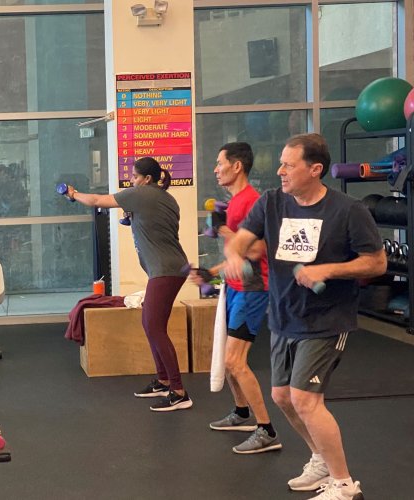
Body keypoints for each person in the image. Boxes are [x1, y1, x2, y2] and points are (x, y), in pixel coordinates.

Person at [223, 134, 385, 499]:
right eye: (281, 163)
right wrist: (234, 254)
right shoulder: (272, 202)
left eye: (289, 165)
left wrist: (328, 270)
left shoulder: (348, 211)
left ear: (315, 169)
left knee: (305, 399)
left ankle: (344, 485)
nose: (280, 171)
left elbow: (376, 262)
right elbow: (241, 239)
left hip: (326, 319)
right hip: (284, 316)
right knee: (282, 396)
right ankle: (320, 459)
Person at [63, 157, 192, 412]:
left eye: (134, 176)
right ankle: (163, 380)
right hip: (171, 267)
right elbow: (156, 228)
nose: (131, 180)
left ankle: (178, 391)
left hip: (165, 270)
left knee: (154, 327)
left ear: (146, 179)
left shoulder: (141, 194)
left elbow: (97, 200)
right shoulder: (167, 199)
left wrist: (73, 194)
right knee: (151, 324)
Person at [190, 142, 280, 454]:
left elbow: (257, 251)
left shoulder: (252, 201)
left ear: (237, 166)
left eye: (220, 163)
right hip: (235, 286)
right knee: (226, 357)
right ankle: (242, 412)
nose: (216, 169)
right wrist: (210, 272)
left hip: (252, 289)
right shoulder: (235, 202)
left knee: (234, 360)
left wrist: (224, 229)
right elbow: (235, 257)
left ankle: (266, 429)